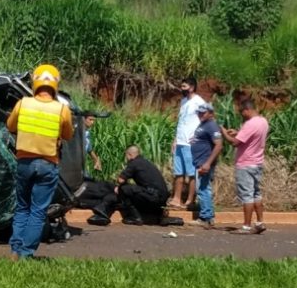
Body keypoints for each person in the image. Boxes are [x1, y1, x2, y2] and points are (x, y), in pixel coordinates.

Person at [5, 64, 74, 260]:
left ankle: (15, 250)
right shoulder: (61, 109)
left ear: (35, 82)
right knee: (37, 211)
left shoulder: (23, 103)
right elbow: (68, 135)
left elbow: (10, 126)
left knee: (22, 207)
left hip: (24, 163)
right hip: (47, 164)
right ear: (55, 85)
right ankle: (26, 254)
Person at [220, 99, 269, 234]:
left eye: (242, 112)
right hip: (257, 162)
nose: (241, 115)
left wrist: (223, 132)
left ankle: (246, 226)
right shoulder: (263, 121)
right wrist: (238, 132)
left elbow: (235, 143)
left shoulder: (249, 124)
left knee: (247, 195)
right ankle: (259, 222)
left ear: (247, 110)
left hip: (245, 164)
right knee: (256, 194)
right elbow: (249, 138)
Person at [89, 146, 168, 226]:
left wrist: (119, 188)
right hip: (161, 198)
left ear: (129, 155)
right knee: (127, 189)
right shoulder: (146, 162)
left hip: (153, 197)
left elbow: (121, 180)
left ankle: (135, 217)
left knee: (124, 189)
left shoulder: (134, 163)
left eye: (126, 156)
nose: (126, 158)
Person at [168, 77, 205, 209]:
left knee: (191, 173)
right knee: (178, 172)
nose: (182, 89)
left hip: (191, 144)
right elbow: (181, 122)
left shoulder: (198, 102)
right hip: (180, 142)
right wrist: (175, 140)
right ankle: (176, 199)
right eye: (181, 86)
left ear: (192, 87)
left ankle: (190, 200)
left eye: (184, 87)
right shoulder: (183, 101)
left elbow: (206, 120)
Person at [189, 102, 223, 228]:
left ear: (211, 113)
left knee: (203, 189)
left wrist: (208, 163)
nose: (200, 115)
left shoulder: (211, 126)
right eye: (199, 112)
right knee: (202, 189)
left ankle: (206, 217)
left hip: (204, 162)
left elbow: (218, 145)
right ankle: (208, 216)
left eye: (203, 113)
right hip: (200, 161)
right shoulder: (204, 124)